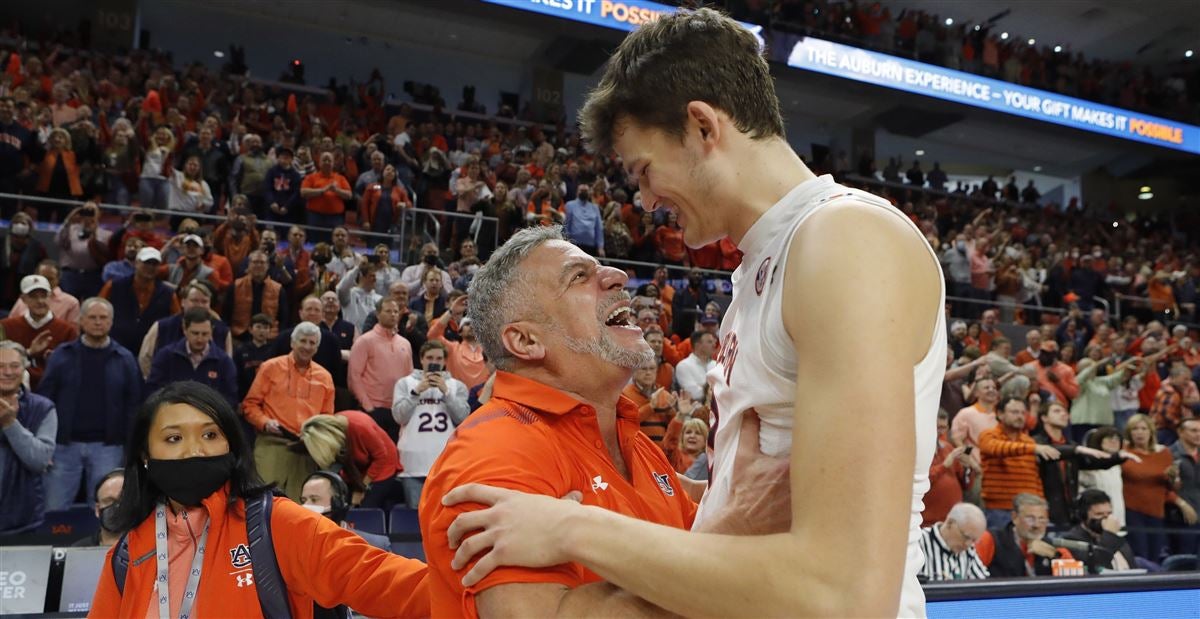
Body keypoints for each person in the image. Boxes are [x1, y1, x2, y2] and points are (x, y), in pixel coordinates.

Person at [439, 11, 946, 617]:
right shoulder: (768, 265)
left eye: (644, 171)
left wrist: (573, 528)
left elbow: (842, 594)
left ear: (702, 125)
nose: (646, 201)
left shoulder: (844, 240)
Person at [420, 227, 700, 616]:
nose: (617, 276)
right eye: (579, 276)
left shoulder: (632, 441)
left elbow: (707, 553)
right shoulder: (495, 451)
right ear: (526, 341)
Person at [86, 381, 429, 618]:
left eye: (210, 434)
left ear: (232, 447)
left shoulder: (275, 524)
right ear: (146, 455)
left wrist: (476, 590)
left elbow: (387, 581)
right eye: (173, 438)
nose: (194, 450)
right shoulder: (128, 553)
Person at [36, 297, 141, 510]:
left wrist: (131, 448)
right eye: (92, 317)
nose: (98, 322)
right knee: (54, 509)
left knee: (107, 511)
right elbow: (45, 401)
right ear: (81, 321)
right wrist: (45, 443)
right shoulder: (62, 355)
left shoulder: (125, 358)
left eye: (103, 318)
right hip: (64, 445)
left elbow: (134, 406)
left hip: (108, 447)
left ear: (111, 322)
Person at [242, 322, 335, 499]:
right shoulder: (270, 367)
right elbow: (250, 405)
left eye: (312, 343)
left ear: (317, 348)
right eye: (303, 341)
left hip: (306, 450)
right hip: (271, 443)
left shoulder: (325, 377)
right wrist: (265, 422)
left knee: (300, 506)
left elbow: (327, 419)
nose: (307, 346)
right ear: (292, 343)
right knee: (263, 501)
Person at [392, 340, 469, 508]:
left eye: (439, 358)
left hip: (446, 461)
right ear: (421, 359)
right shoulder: (405, 384)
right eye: (430, 357)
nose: (434, 362)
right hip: (413, 461)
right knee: (414, 519)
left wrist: (446, 393)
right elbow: (399, 416)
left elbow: (463, 418)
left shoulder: (457, 386)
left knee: (445, 516)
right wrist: (416, 392)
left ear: (444, 361)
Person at [1031, 401, 1132, 527]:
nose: (1063, 415)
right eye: (1057, 411)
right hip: (1043, 510)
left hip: (1068, 512)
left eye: (1065, 412)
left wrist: (1117, 457)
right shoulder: (1036, 443)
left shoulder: (1072, 445)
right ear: (1044, 417)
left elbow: (1091, 463)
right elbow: (1050, 453)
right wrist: (1075, 450)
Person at [0, 341, 57, 535]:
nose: (7, 372)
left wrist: (10, 424)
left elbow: (40, 460)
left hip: (23, 521)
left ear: (24, 368)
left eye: (14, 366)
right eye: (0, 366)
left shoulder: (43, 408)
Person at [978, 397, 1061, 529]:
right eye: (1014, 412)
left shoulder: (1028, 441)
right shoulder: (988, 435)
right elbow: (996, 448)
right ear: (1000, 414)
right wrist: (1034, 448)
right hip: (999, 509)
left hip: (1029, 511)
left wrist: (1041, 505)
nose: (1020, 416)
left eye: (1023, 413)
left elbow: (1035, 478)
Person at [298, 411, 403, 511]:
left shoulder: (360, 426)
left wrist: (361, 489)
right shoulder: (334, 436)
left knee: (366, 507)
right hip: (356, 467)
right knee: (343, 504)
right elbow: (339, 465)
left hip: (382, 465)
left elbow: (381, 457)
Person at [1121, 414, 1188, 562]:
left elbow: (1173, 486)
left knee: (1156, 556)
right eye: (1135, 429)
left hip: (1157, 512)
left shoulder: (1164, 453)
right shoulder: (1124, 453)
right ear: (1129, 433)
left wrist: (1173, 479)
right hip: (1132, 511)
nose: (1139, 432)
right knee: (1140, 555)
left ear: (1151, 432)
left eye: (1143, 428)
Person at [348, 298, 413, 441]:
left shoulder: (405, 343)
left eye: (396, 311)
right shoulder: (364, 341)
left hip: (398, 410)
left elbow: (410, 377)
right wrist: (368, 407)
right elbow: (354, 377)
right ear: (377, 314)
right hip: (373, 408)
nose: (393, 315)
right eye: (388, 311)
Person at [138, 281, 233, 378]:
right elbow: (145, 359)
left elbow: (227, 367)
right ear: (183, 302)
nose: (199, 305)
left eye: (204, 301)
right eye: (194, 300)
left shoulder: (223, 331)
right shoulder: (161, 327)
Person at [146, 308, 239, 407]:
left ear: (211, 331)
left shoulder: (223, 361)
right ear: (185, 330)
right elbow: (153, 391)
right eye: (195, 333)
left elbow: (230, 398)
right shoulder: (166, 356)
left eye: (205, 334)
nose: (199, 339)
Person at [0, 274, 80, 388]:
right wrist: (28, 352)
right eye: (33, 296)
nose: (40, 301)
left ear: (51, 297)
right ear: (23, 299)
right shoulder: (6, 326)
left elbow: (72, 368)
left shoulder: (67, 330)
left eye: (44, 296)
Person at [99, 247, 181, 355]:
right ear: (136, 263)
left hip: (152, 351)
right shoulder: (114, 286)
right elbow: (97, 309)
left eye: (155, 264)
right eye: (147, 263)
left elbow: (178, 321)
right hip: (115, 349)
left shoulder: (168, 294)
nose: (150, 267)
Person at [975, 493, 1072, 578]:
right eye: (1030, 518)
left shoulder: (1052, 546)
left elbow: (1075, 579)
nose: (1036, 525)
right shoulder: (992, 539)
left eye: (1042, 519)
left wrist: (1054, 554)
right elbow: (970, 573)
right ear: (1014, 517)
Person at [299, 471, 390, 551]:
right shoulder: (293, 545)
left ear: (337, 503)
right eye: (303, 500)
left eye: (314, 499)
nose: (306, 506)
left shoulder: (375, 545)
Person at [1058, 489, 1137, 573]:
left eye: (1109, 514)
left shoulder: (1117, 539)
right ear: (1083, 515)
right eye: (1099, 514)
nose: (1106, 519)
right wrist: (1109, 534)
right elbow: (1097, 565)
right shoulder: (1071, 540)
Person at [427, 295, 489, 389]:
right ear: (459, 332)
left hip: (484, 399)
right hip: (457, 398)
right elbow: (432, 336)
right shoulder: (453, 349)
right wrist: (451, 311)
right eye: (467, 324)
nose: (472, 326)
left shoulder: (489, 350)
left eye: (475, 324)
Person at [917, 502, 989, 581]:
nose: (968, 544)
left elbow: (983, 585)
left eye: (974, 540)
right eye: (966, 537)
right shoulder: (919, 543)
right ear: (950, 523)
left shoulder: (969, 550)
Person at [226, 250, 287, 340]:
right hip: (239, 335)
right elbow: (226, 315)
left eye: (262, 262)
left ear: (268, 266)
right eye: (255, 262)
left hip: (269, 337)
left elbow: (284, 319)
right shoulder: (236, 286)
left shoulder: (278, 289)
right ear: (249, 265)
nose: (258, 265)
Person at [10, 260, 82, 325]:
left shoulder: (71, 302)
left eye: (50, 279)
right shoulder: (25, 298)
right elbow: (10, 324)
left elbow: (73, 333)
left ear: (58, 279)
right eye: (43, 278)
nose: (46, 282)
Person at [301, 151, 353, 240]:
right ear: (319, 163)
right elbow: (303, 192)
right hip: (315, 217)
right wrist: (322, 190)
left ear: (333, 163)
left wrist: (336, 190)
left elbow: (349, 195)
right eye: (324, 160)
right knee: (314, 241)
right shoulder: (311, 177)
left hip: (335, 218)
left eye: (329, 160)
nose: (327, 162)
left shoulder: (340, 178)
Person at [1170, 417, 1200, 555]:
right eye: (1193, 430)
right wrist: (1181, 504)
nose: (1198, 434)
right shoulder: (1169, 455)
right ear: (1180, 432)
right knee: (1185, 559)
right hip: (1181, 518)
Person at [72, 469, 124, 547]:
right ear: (97, 509)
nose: (117, 506)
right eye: (109, 501)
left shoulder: (148, 551)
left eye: (124, 500)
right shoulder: (78, 549)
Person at [234, 314, 277, 399]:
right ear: (250, 329)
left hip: (267, 395)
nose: (262, 331)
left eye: (265, 328)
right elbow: (236, 377)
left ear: (269, 331)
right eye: (258, 327)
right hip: (245, 395)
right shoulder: (241, 350)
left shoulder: (274, 351)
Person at [336, 257, 384, 331]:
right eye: (371, 276)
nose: (375, 279)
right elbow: (341, 288)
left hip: (372, 337)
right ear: (362, 276)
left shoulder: (379, 299)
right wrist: (357, 268)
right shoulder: (350, 294)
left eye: (375, 276)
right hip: (352, 335)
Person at [673, 330, 717, 400]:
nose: (714, 345)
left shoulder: (717, 365)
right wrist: (712, 389)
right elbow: (694, 394)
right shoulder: (683, 366)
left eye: (714, 342)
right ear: (697, 345)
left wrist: (702, 386)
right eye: (710, 342)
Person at [563, 185, 605, 257]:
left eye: (586, 191)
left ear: (589, 193)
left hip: (590, 245)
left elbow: (598, 228)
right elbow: (567, 224)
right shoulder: (570, 205)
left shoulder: (595, 207)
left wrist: (600, 246)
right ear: (577, 192)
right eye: (582, 190)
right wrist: (566, 240)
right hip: (574, 244)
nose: (584, 192)